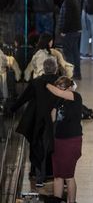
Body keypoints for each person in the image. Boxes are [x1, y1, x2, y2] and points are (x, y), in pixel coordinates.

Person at [11, 58, 59, 187]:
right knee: (52, 147)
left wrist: (11, 109)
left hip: (38, 121)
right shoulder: (60, 83)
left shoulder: (36, 82)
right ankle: (52, 173)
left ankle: (38, 176)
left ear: (44, 68)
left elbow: (23, 98)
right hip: (55, 123)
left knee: (37, 147)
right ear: (55, 68)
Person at [47, 76, 82, 203]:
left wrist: (45, 84)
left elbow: (56, 92)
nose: (58, 91)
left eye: (61, 88)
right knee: (57, 175)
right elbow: (52, 118)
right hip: (58, 141)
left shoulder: (76, 97)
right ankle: (57, 201)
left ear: (68, 87)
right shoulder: (59, 100)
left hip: (71, 141)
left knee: (68, 176)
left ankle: (71, 201)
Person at [56, 0, 82, 80]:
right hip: (76, 31)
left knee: (69, 54)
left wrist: (63, 31)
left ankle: (70, 74)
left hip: (69, 32)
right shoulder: (72, 0)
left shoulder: (67, 3)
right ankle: (77, 73)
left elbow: (66, 19)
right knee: (75, 53)